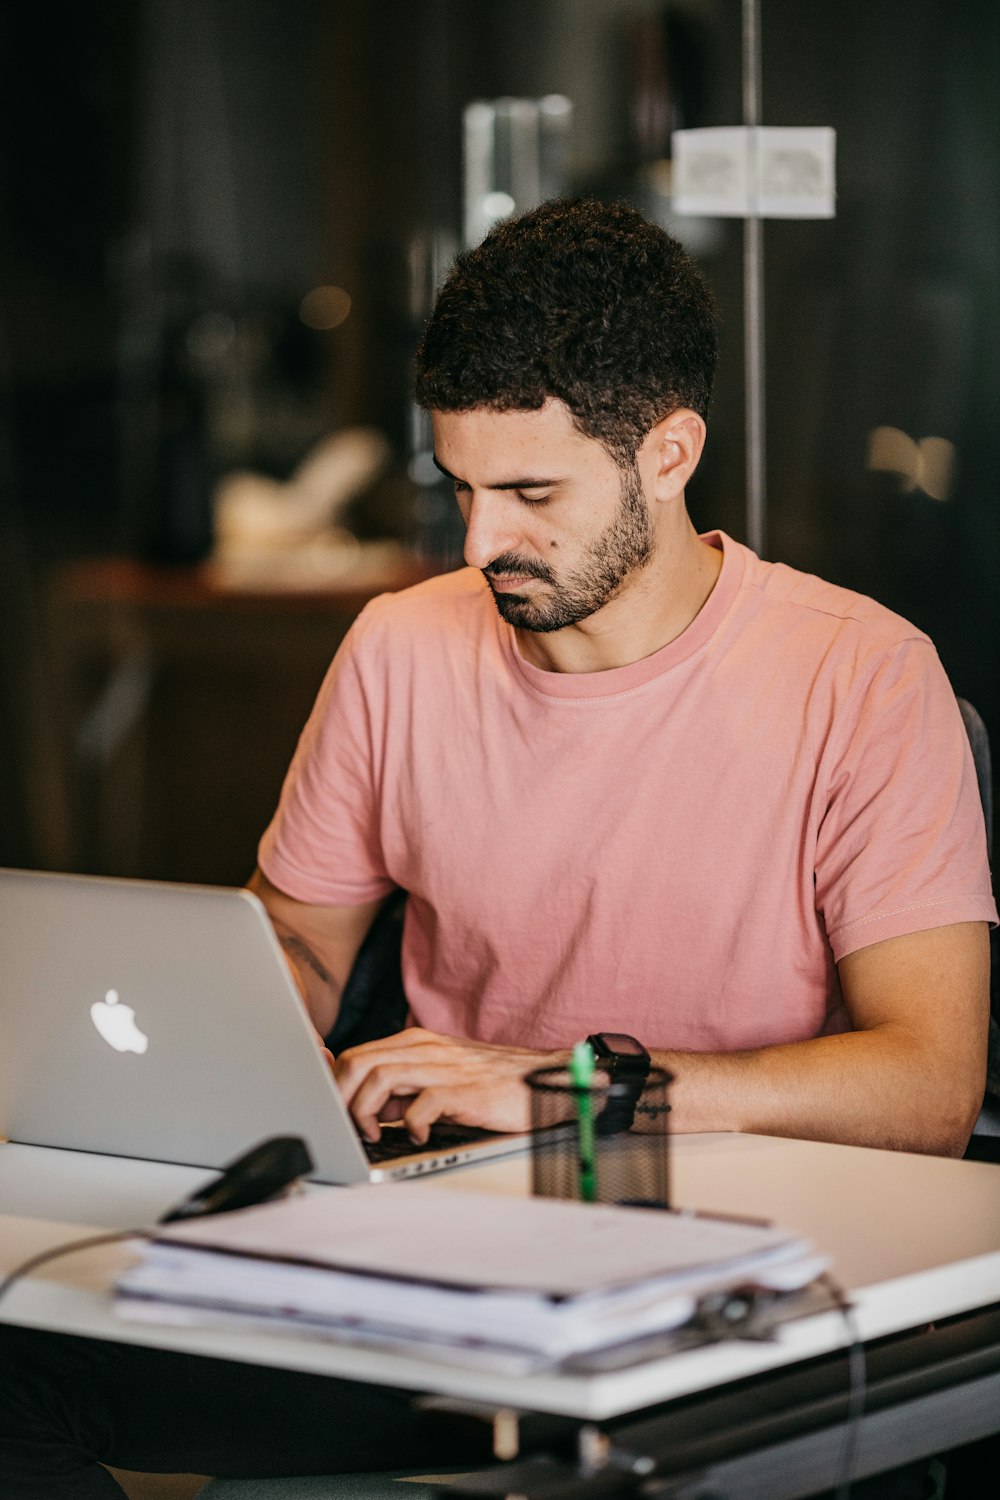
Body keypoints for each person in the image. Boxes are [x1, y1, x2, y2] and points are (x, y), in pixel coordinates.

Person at [0, 197, 994, 1498]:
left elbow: (925, 1091)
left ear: (668, 453)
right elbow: (295, 936)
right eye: (461, 488)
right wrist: (236, 1054)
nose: (481, 545)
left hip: (726, 1295)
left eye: (530, 493)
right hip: (434, 1256)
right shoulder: (402, 647)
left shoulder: (860, 676)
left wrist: (555, 1088)